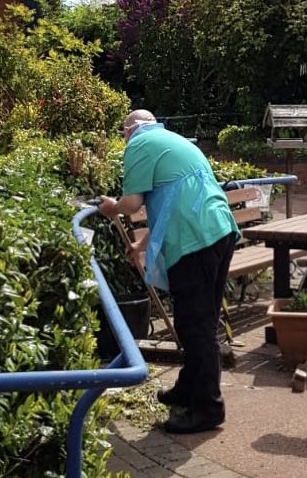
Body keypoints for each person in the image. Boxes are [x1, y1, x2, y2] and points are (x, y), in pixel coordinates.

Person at [99, 109, 239, 433]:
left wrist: (111, 208)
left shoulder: (139, 144)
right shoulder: (172, 140)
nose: (125, 140)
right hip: (218, 231)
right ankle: (188, 388)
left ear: (129, 130)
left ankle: (208, 408)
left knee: (195, 325)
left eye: (123, 134)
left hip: (194, 240)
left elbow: (132, 203)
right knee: (200, 321)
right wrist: (142, 245)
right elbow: (173, 198)